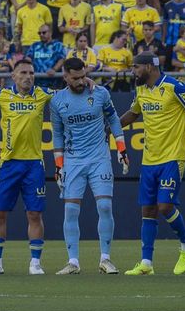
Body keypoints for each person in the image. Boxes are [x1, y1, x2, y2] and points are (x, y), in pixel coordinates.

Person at [119, 51, 185, 275]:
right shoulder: (141, 90)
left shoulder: (176, 88)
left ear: (149, 67)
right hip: (149, 159)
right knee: (148, 209)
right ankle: (146, 263)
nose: (133, 71)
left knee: (165, 206)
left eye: (136, 67)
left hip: (173, 157)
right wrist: (111, 128)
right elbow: (133, 114)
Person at [48, 55, 128, 275]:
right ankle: (73, 262)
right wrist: (59, 166)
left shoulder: (100, 93)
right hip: (73, 161)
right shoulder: (56, 101)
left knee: (104, 206)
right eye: (76, 78)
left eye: (84, 76)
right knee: (71, 210)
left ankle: (105, 259)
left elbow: (113, 120)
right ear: (65, 77)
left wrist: (121, 149)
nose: (81, 81)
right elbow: (57, 134)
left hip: (99, 157)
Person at [0, 58, 51, 275]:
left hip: (33, 165)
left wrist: (87, 81)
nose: (28, 77)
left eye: (31, 73)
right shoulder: (2, 95)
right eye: (23, 73)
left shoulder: (43, 94)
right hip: (8, 164)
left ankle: (35, 263)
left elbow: (70, 90)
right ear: (13, 76)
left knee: (34, 214)